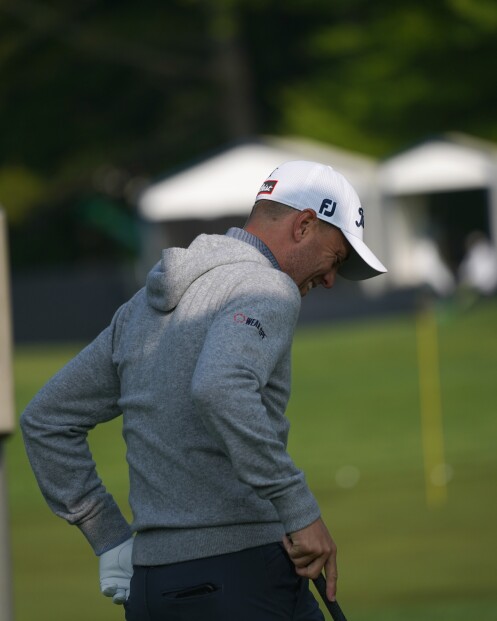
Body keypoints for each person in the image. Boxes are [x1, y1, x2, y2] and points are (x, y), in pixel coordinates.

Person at [21, 160, 387, 620]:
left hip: (152, 590)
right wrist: (301, 511)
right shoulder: (268, 287)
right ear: (305, 225)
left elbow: (45, 420)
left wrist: (110, 540)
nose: (331, 278)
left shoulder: (140, 308)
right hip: (243, 576)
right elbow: (220, 387)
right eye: (335, 258)